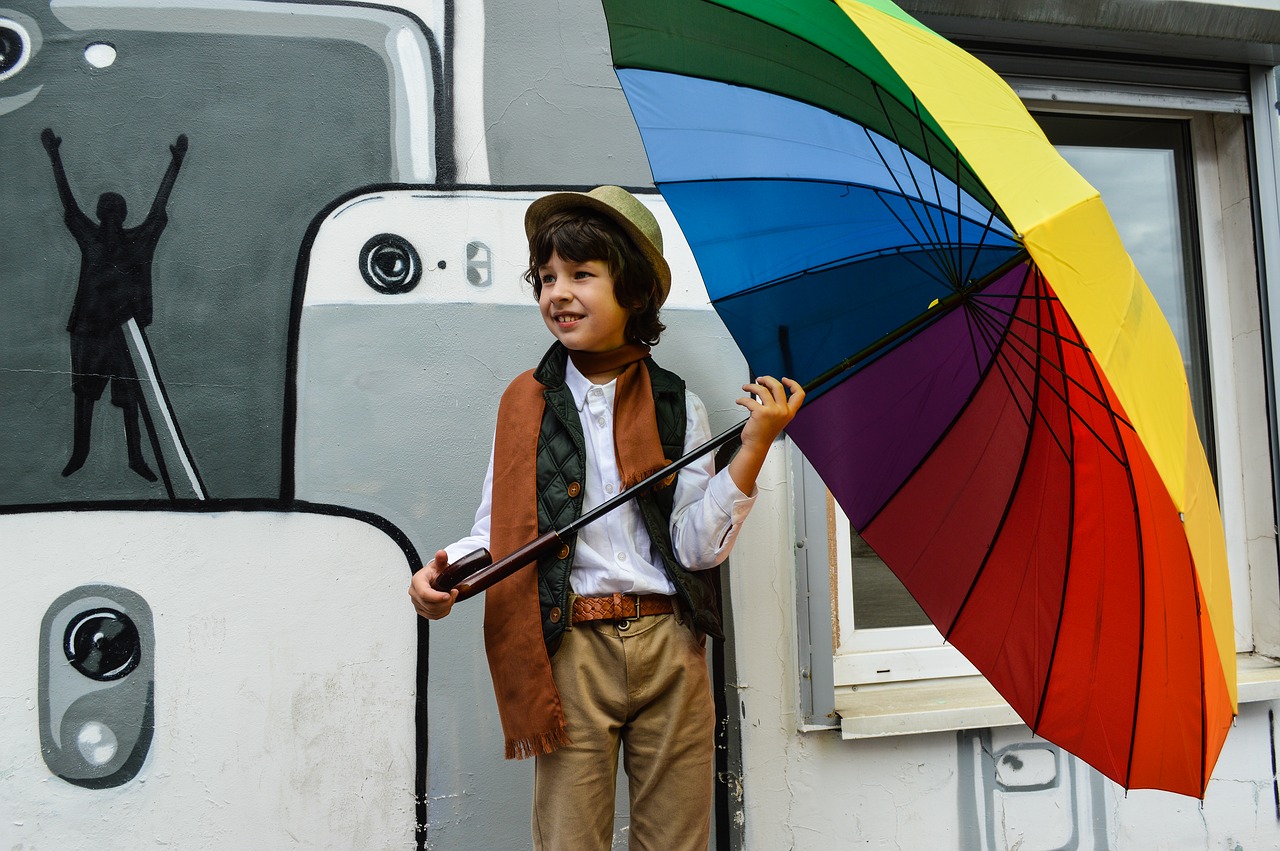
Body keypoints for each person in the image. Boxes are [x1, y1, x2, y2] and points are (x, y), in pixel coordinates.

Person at [408, 185, 803, 850]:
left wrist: (756, 446)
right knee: (570, 838)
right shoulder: (523, 404)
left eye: (581, 275)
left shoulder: (679, 406)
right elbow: (496, 532)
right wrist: (443, 573)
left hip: (669, 644)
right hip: (572, 650)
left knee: (675, 838)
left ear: (635, 291)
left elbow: (695, 546)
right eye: (546, 277)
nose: (557, 292)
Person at [41, 127, 188, 480]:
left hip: (124, 328)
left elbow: (158, 206)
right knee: (85, 393)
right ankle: (80, 452)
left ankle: (135, 457)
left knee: (129, 395)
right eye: (106, 208)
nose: (109, 212)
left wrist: (177, 164)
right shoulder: (91, 237)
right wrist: (54, 155)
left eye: (114, 207)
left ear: (120, 213)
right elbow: (69, 204)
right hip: (90, 328)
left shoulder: (138, 241)